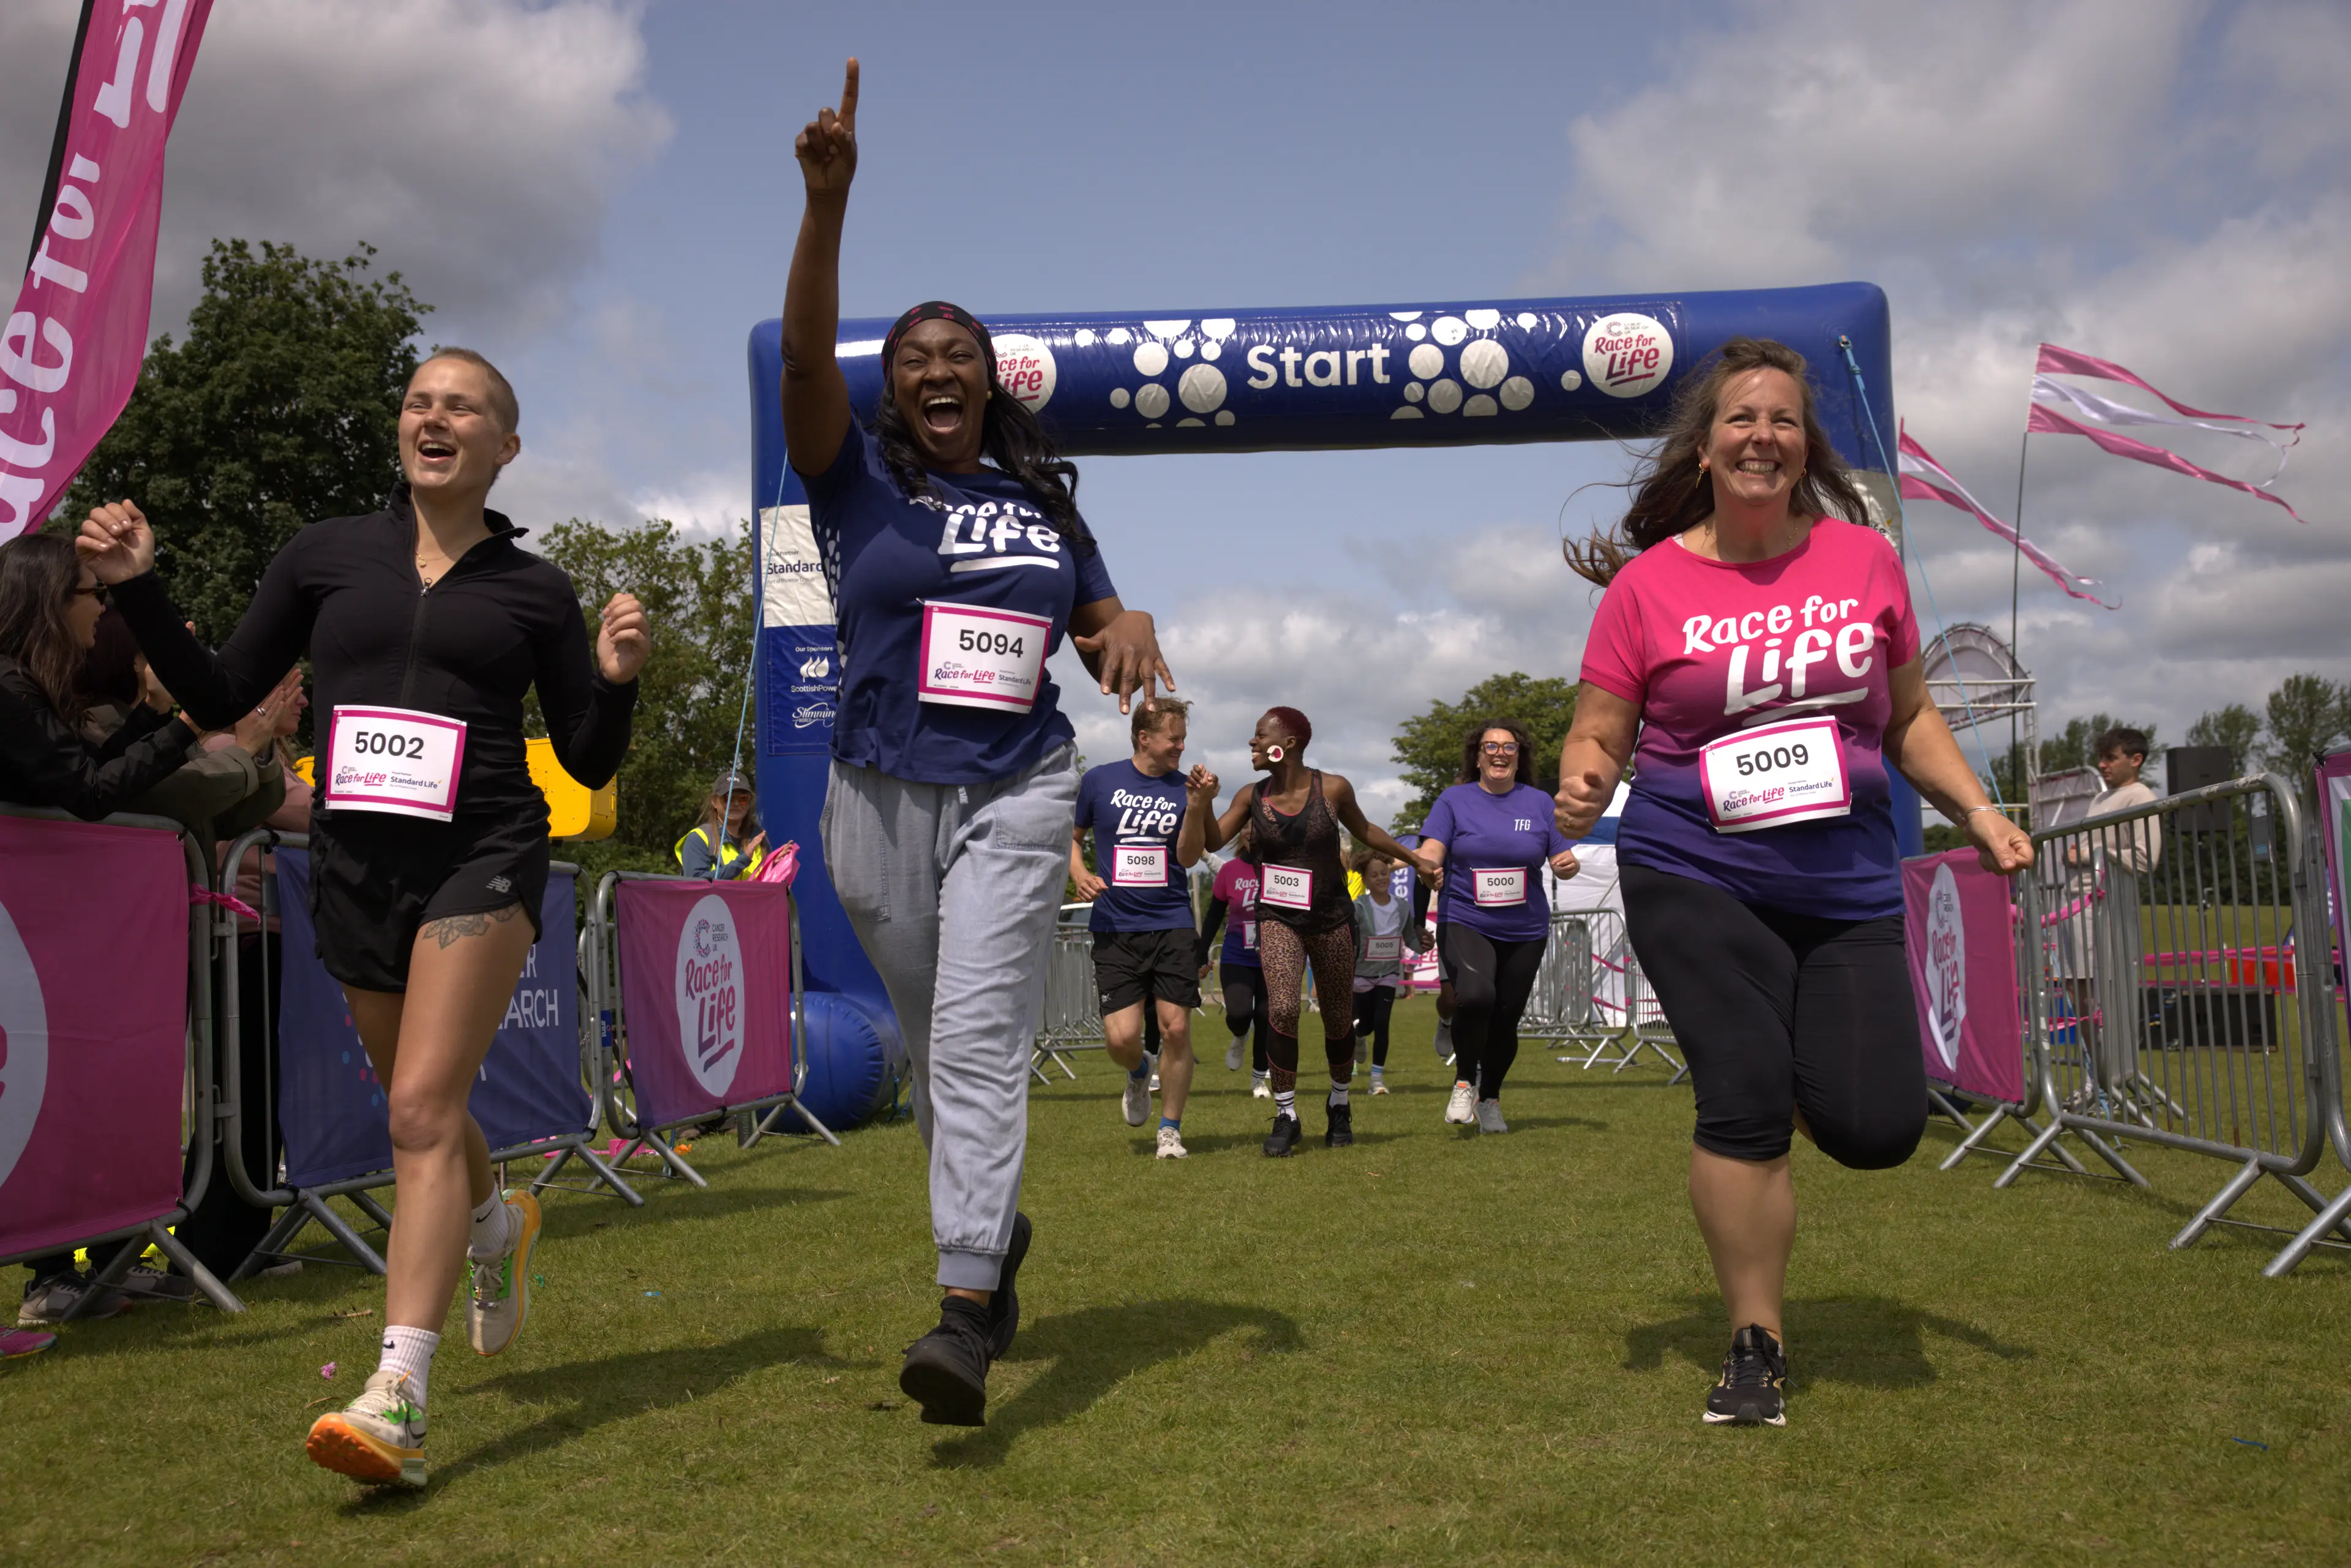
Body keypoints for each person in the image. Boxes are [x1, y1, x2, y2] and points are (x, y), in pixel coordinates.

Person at [79, 345, 648, 1488]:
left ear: (505, 446)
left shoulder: (532, 589)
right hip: (353, 861)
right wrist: (140, 583)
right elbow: (223, 693)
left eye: (464, 407)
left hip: (485, 850)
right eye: (419, 402)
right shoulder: (326, 555)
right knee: (416, 1106)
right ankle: (499, 1224)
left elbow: (584, 755)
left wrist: (618, 677)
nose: (434, 418)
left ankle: (398, 1389)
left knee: (424, 1111)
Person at [785, 60, 1172, 1428]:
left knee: (977, 1041)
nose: (938, 370)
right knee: (931, 1033)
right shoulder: (857, 478)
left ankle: (962, 1308)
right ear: (893, 388)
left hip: (1018, 784)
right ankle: (993, 1232)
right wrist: (828, 206)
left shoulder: (1041, 504)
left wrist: (1122, 632)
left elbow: (1101, 609)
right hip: (878, 793)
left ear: (987, 382)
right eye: (914, 358)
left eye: (959, 357)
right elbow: (800, 362)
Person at [1556, 336, 2033, 1428]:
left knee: (1877, 1128)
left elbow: (1908, 714)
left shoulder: (1865, 559)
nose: (1762, 435)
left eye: (1782, 419)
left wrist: (1981, 808)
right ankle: (1756, 1342)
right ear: (1708, 446)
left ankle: (1786, 1091)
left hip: (1846, 881)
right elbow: (1600, 726)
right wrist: (1586, 779)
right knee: (1743, 1097)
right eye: (1741, 418)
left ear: (1804, 444)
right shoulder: (1648, 584)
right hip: (1695, 867)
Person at [1, 533, 208, 1326]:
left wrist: (158, 719)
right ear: (51, 601)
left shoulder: (29, 690)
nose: (105, 610)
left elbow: (76, 782)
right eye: (95, 594)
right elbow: (87, 795)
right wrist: (184, 726)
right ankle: (51, 1272)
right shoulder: (8, 688)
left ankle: (67, 1267)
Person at [1188, 707, 1439, 1155]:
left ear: (1288, 743)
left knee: (1339, 1018)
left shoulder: (1334, 788)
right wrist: (1204, 802)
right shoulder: (1252, 795)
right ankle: (1286, 1114)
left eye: (1260, 735)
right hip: (1278, 919)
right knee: (1282, 1009)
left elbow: (1365, 830)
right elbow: (1211, 840)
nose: (1252, 743)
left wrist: (1416, 859)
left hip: (1332, 920)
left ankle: (1339, 1104)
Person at [1420, 719, 1580, 1133]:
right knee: (1475, 996)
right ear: (1478, 757)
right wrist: (1429, 865)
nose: (1500, 753)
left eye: (1509, 747)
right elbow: (1432, 847)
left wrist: (1567, 864)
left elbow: (1561, 855)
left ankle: (1489, 1097)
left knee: (1507, 1018)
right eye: (1491, 746)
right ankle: (1463, 1082)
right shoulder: (1454, 799)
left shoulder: (1540, 802)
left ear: (1518, 757)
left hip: (1525, 927)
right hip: (1466, 917)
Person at [1070, 697, 1205, 1157]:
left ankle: (1170, 1130)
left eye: (1183, 737)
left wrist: (1196, 805)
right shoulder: (1099, 781)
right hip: (1115, 925)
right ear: (1144, 737)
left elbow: (1187, 857)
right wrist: (1079, 874)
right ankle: (1137, 1071)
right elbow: (1073, 838)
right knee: (1123, 1038)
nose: (1181, 746)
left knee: (1176, 1030)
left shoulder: (1186, 787)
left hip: (1171, 922)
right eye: (1174, 738)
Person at [2054, 726, 2160, 1102]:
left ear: (2136, 760)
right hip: (2075, 906)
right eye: (2102, 757)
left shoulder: (2141, 796)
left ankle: (2105, 1082)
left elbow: (2146, 859)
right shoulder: (2102, 799)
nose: (2102, 765)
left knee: (2097, 998)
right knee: (2076, 993)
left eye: (2110, 758)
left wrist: (2087, 856)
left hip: (2102, 910)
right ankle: (2096, 1078)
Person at [1198, 824, 1270, 1097]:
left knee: (1266, 1017)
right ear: (1240, 834)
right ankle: (1240, 1036)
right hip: (1236, 956)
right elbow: (1214, 915)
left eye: (1258, 826)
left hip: (1272, 957)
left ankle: (1258, 1080)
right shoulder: (1229, 871)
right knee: (1240, 1015)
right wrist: (1201, 951)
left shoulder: (1280, 868)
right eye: (1247, 827)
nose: (1252, 832)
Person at [1348, 847, 1424, 1095]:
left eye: (1384, 873)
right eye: (1375, 875)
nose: (1381, 878)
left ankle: (1377, 1080)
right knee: (1364, 1025)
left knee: (1382, 1023)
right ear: (1366, 879)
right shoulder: (1358, 907)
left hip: (1389, 975)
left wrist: (1424, 944)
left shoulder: (1402, 907)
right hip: (1361, 976)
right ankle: (1358, 1037)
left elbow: (1410, 938)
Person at [677, 768, 768, 880]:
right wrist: (743, 860)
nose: (736, 804)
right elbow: (696, 883)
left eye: (743, 799)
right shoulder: (699, 838)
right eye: (728, 798)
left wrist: (774, 863)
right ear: (714, 801)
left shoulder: (758, 836)